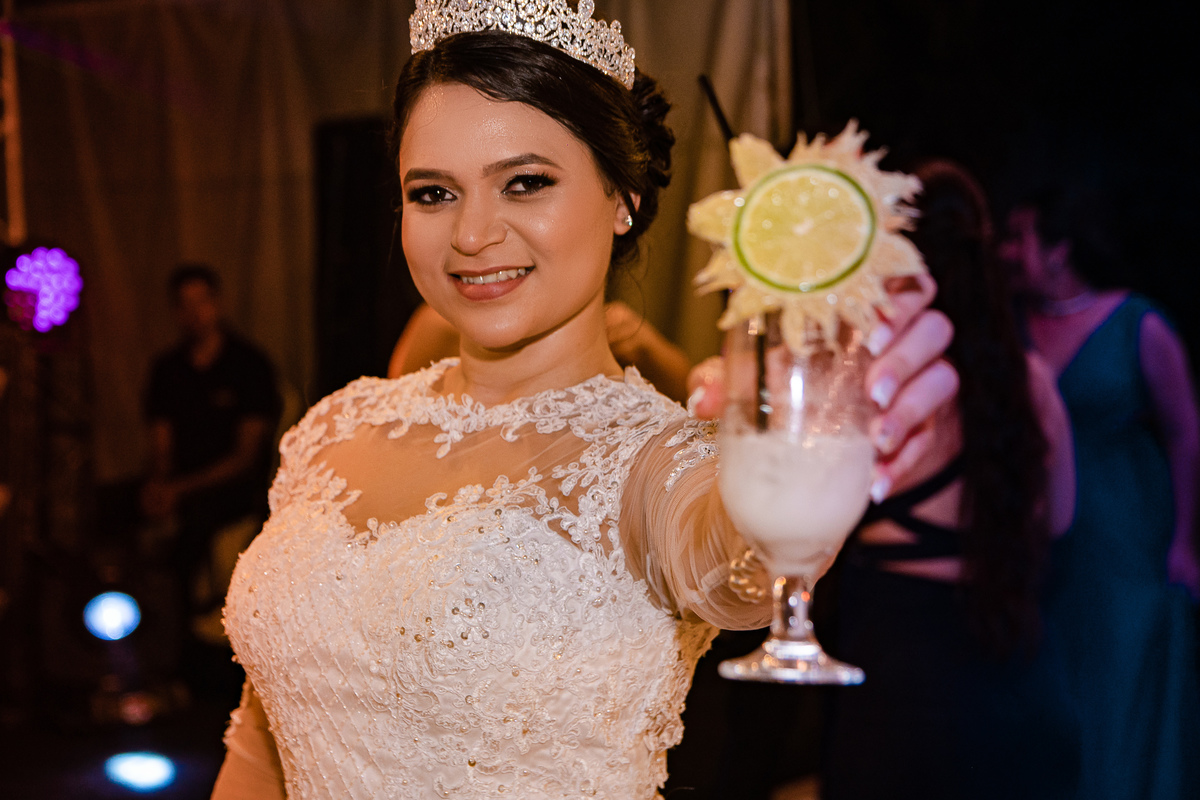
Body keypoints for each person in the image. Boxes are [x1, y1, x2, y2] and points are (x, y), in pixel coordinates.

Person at [211, 4, 957, 797]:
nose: (472, 233)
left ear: (622, 197)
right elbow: (264, 739)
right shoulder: (330, 431)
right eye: (433, 193)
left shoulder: (652, 462)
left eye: (526, 183)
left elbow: (737, 561)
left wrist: (823, 430)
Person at [817, 160, 1080, 800]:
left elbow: (808, 510)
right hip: (1016, 670)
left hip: (900, 674)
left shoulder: (880, 380)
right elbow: (1062, 522)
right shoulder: (1030, 379)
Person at [1002, 187, 1200, 800]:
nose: (1006, 252)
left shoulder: (1138, 322)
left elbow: (1185, 434)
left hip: (1123, 532)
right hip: (1039, 539)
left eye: (1019, 238)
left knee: (1121, 687)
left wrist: (1185, 543)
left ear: (1059, 249)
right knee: (1052, 689)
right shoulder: (1011, 327)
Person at [143, 264, 281, 679]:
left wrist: (179, 490)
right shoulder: (167, 369)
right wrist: (159, 484)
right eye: (184, 305)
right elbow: (161, 442)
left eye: (201, 302)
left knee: (194, 527)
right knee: (112, 506)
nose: (194, 313)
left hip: (233, 487)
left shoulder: (248, 365)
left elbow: (245, 457)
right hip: (181, 484)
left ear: (217, 304)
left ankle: (188, 655)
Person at [389, 300, 693, 402]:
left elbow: (695, 411)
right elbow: (399, 421)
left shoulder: (619, 335)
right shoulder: (442, 328)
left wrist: (648, 349)